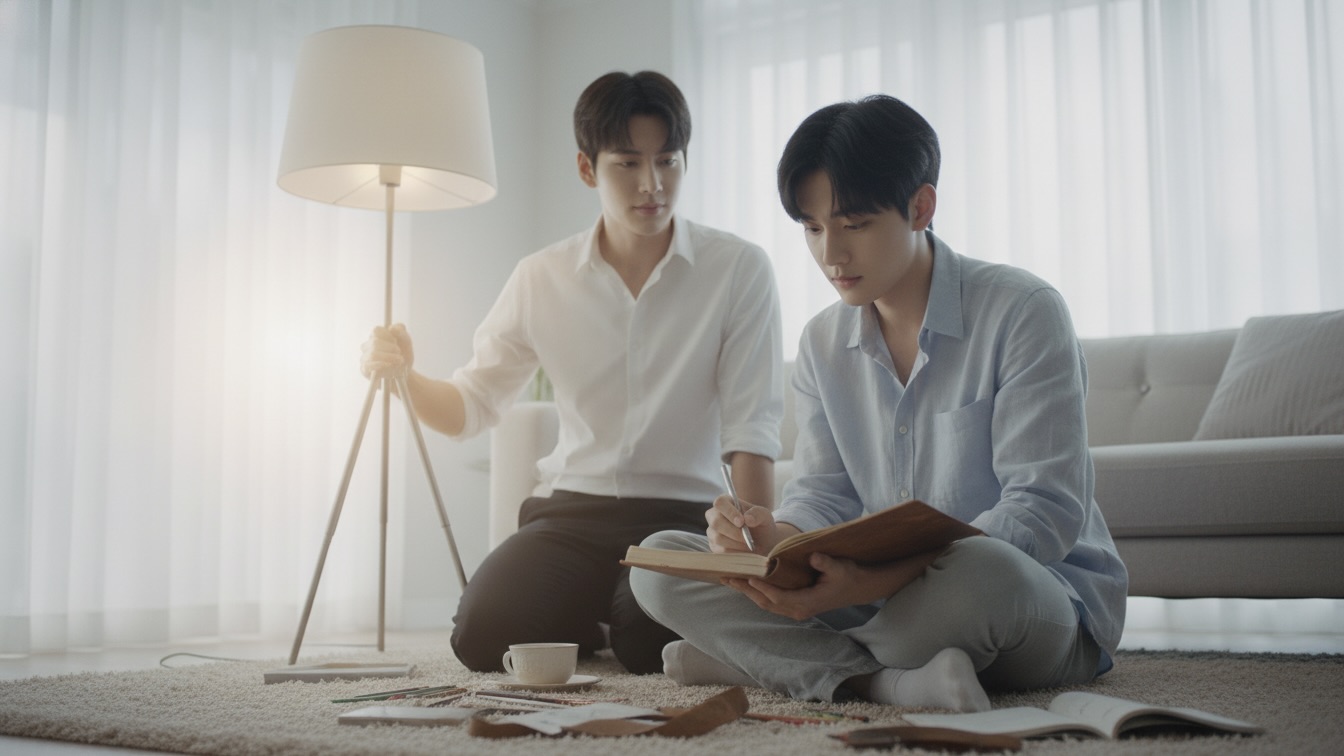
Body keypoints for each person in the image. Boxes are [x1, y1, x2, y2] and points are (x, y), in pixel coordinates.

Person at [630, 94, 1127, 709]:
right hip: (879, 599)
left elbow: (1041, 514)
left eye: (854, 224)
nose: (831, 255)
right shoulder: (821, 342)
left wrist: (878, 579)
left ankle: (772, 659)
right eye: (813, 228)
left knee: (980, 576)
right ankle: (881, 679)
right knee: (658, 562)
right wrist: (767, 540)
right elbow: (823, 498)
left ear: (921, 207)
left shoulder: (1023, 312)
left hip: (1029, 596)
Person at [360, 71, 783, 675]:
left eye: (668, 161)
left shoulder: (738, 268)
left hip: (680, 517)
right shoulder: (541, 276)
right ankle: (594, 611)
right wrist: (406, 376)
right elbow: (472, 406)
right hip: (570, 514)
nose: (652, 185)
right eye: (627, 164)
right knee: (483, 637)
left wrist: (751, 562)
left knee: (649, 648)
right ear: (587, 168)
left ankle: (613, 616)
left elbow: (752, 430)